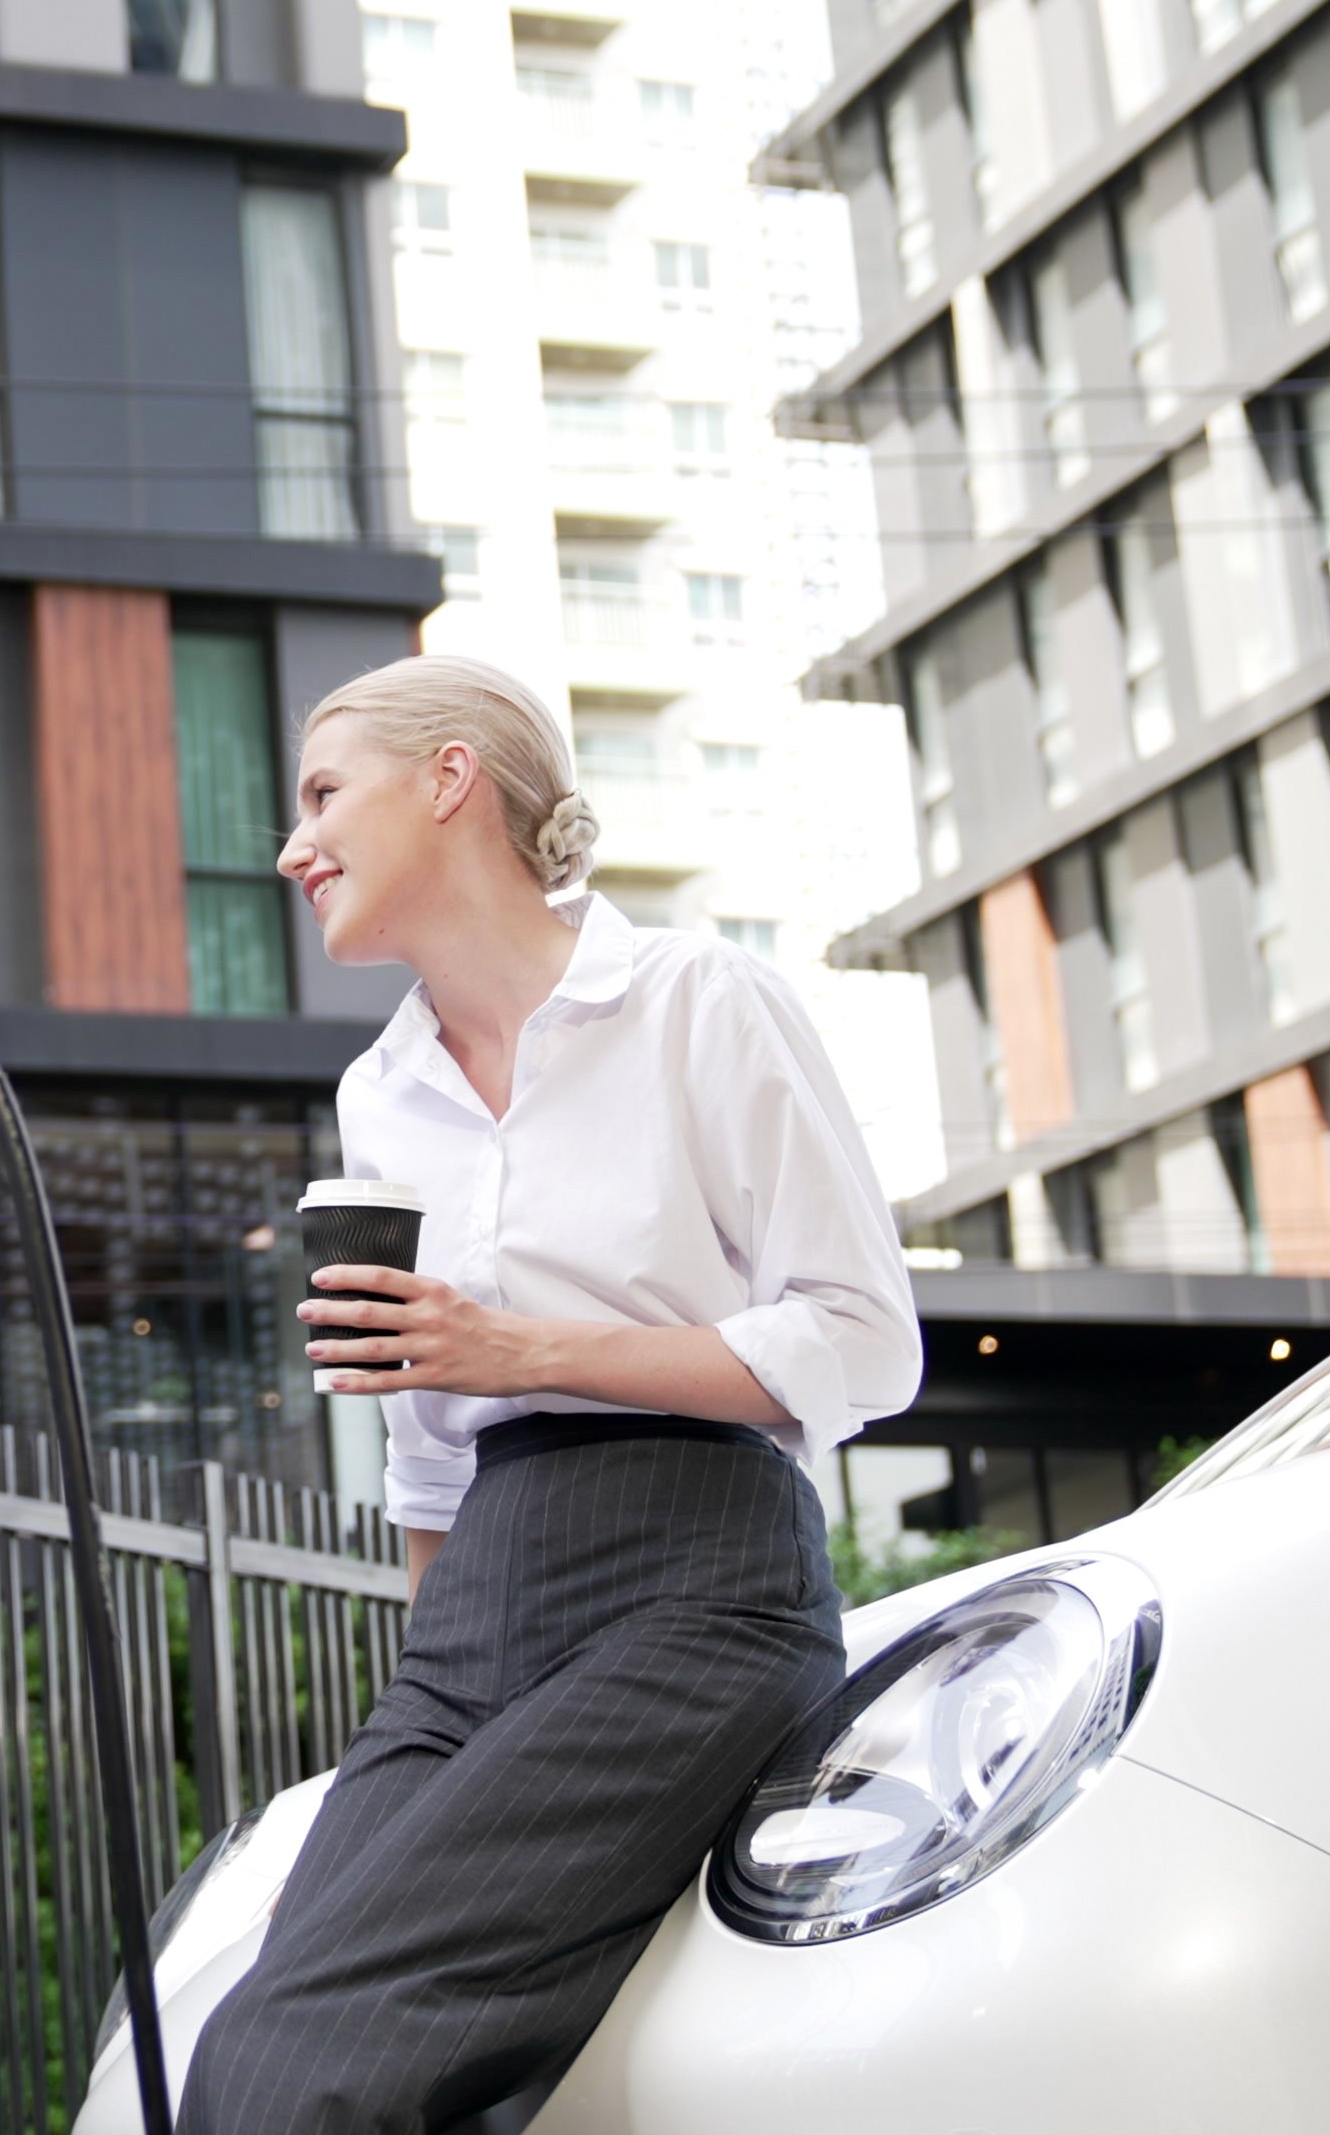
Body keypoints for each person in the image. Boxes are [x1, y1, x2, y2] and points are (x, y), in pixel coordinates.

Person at [178, 656, 920, 2134]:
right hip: (472, 1622)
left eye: (324, 793)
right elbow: (426, 1453)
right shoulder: (379, 1093)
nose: (291, 846)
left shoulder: (695, 998)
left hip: (698, 1591)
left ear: (450, 779)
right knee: (238, 2055)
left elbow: (861, 1338)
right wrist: (434, 1654)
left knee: (307, 2063)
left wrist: (523, 1350)